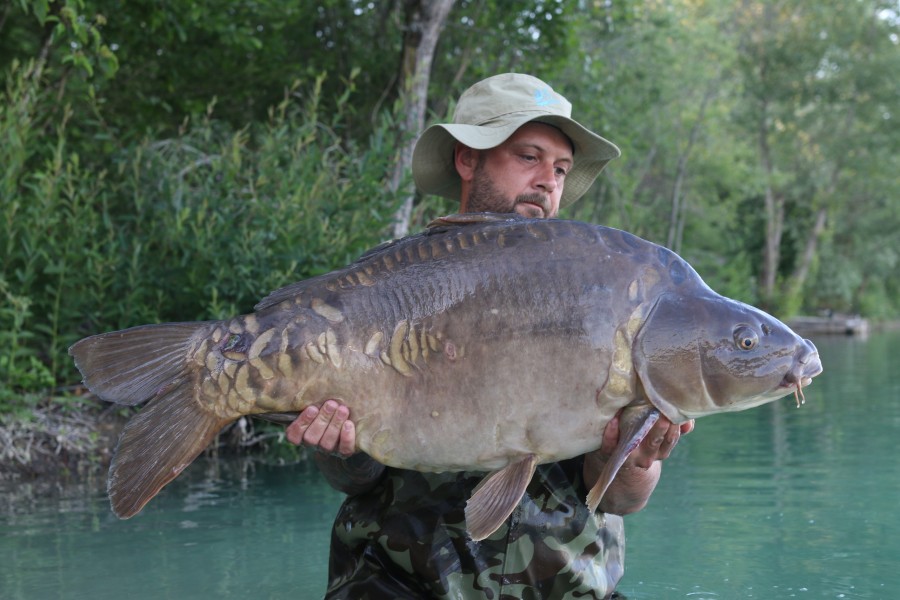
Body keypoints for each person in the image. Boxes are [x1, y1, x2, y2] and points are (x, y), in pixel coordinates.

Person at [286, 73, 694, 599]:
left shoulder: (606, 292)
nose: (549, 179)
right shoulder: (384, 288)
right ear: (467, 158)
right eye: (529, 156)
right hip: (397, 585)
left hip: (568, 588)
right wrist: (339, 448)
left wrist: (638, 459)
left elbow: (619, 499)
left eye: (562, 168)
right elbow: (356, 481)